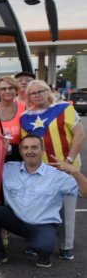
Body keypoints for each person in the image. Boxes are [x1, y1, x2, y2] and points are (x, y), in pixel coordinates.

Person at [0, 135, 87, 267]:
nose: (29, 151)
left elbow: (84, 193)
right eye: (25, 147)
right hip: (16, 220)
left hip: (42, 225)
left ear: (42, 151)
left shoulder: (57, 176)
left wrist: (75, 172)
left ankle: (42, 249)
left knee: (43, 248)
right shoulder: (8, 168)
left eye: (34, 147)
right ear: (21, 152)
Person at [20, 79, 84, 261]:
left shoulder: (64, 108)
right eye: (33, 93)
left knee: (67, 210)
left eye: (41, 91)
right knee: (39, 209)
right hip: (41, 171)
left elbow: (79, 134)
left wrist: (69, 161)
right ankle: (37, 242)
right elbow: (27, 145)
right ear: (28, 96)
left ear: (48, 91)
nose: (37, 95)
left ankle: (66, 246)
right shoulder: (25, 117)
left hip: (67, 169)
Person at [0, 76, 25, 162]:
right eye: (3, 89)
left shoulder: (24, 109)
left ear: (16, 90)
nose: (7, 91)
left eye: (11, 88)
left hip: (19, 157)